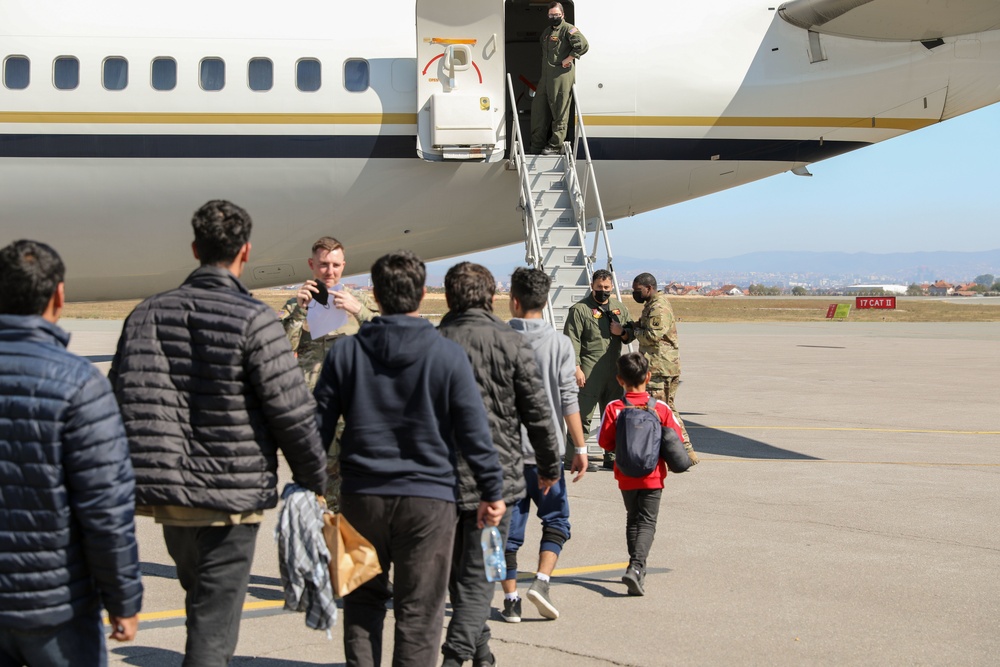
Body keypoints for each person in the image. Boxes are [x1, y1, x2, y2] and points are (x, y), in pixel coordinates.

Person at [109, 200, 327, 666]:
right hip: (231, 497)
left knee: (200, 602)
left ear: (194, 248)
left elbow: (118, 404)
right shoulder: (255, 320)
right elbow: (290, 412)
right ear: (245, 252)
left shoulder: (146, 314)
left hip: (167, 496)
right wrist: (314, 478)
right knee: (213, 622)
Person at [313, 251, 505, 667]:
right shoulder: (447, 355)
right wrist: (492, 490)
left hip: (360, 499)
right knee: (419, 612)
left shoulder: (344, 354)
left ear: (375, 295)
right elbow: (474, 434)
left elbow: (317, 430)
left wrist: (311, 486)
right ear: (421, 294)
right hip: (428, 502)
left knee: (362, 605)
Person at [0, 240, 142, 666]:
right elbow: (105, 506)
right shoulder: (80, 383)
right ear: (58, 296)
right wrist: (123, 597)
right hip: (56, 606)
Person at [437, 262, 562, 667]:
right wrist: (548, 468)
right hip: (497, 488)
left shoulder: (436, 341)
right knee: (480, 575)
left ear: (451, 298)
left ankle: (480, 651)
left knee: (464, 574)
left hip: (445, 485)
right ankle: (461, 654)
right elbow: (538, 414)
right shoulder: (510, 343)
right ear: (492, 298)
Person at [501, 267, 588, 624]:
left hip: (506, 455)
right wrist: (580, 448)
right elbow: (569, 400)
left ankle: (510, 601)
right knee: (556, 521)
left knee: (506, 531)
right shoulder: (560, 344)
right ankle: (542, 581)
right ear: (546, 299)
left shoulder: (499, 338)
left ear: (515, 301)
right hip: (546, 455)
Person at [280, 236, 377, 510]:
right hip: (314, 410)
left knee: (356, 487)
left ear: (344, 266)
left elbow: (385, 341)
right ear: (312, 265)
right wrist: (299, 312)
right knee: (317, 488)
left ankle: (351, 546)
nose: (329, 271)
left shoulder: (359, 301)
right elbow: (280, 347)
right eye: (323, 264)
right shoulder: (296, 304)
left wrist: (359, 311)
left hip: (353, 410)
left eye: (335, 265)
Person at [597, 352, 685, 597]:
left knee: (632, 518)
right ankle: (636, 567)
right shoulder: (661, 408)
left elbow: (605, 442)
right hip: (653, 475)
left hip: (625, 475)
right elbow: (675, 439)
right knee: (647, 521)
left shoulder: (614, 408)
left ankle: (634, 566)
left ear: (619, 380)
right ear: (648, 376)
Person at [621, 273, 699, 464]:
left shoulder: (658, 307)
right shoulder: (651, 305)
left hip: (661, 367)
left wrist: (628, 332)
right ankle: (681, 453)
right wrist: (628, 329)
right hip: (660, 366)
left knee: (664, 410)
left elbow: (651, 335)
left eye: (638, 290)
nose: (635, 294)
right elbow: (642, 327)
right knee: (663, 409)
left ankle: (685, 453)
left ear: (649, 288)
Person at [563, 268, 632, 469]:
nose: (603, 290)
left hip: (614, 372)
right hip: (589, 371)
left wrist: (622, 332)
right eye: (599, 287)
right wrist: (576, 368)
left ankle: (612, 457)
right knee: (583, 416)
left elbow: (630, 334)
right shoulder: (580, 310)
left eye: (607, 287)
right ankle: (573, 458)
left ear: (612, 287)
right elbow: (571, 341)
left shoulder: (619, 308)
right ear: (592, 286)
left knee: (613, 416)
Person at [531, 1, 589, 155]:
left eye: (557, 14)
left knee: (559, 109)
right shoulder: (547, 33)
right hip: (546, 76)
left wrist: (569, 58)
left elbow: (583, 45)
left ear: (562, 15)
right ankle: (536, 145)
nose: (554, 17)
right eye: (551, 15)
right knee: (539, 110)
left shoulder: (568, 30)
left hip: (560, 75)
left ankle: (555, 146)